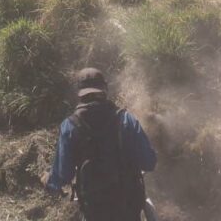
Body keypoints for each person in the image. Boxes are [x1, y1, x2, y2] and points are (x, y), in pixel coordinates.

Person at [46, 68, 157, 221]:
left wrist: (49, 181)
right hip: (128, 209)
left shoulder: (70, 126)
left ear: (80, 93)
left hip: (94, 211)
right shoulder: (126, 119)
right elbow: (149, 162)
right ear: (104, 89)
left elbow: (62, 175)